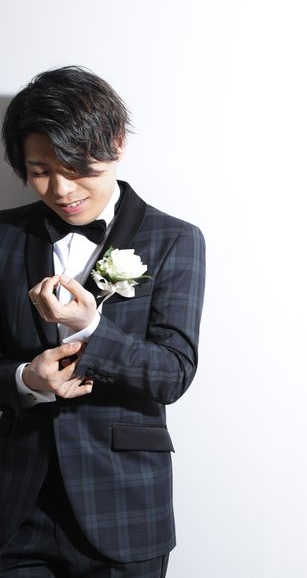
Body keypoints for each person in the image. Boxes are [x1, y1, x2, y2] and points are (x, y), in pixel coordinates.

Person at [0, 66, 205, 576]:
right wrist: (25, 380)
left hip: (123, 508)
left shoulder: (176, 239)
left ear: (116, 143)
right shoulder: (3, 236)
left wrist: (92, 330)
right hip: (15, 507)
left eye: (76, 167)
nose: (61, 188)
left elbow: (174, 373)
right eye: (40, 170)